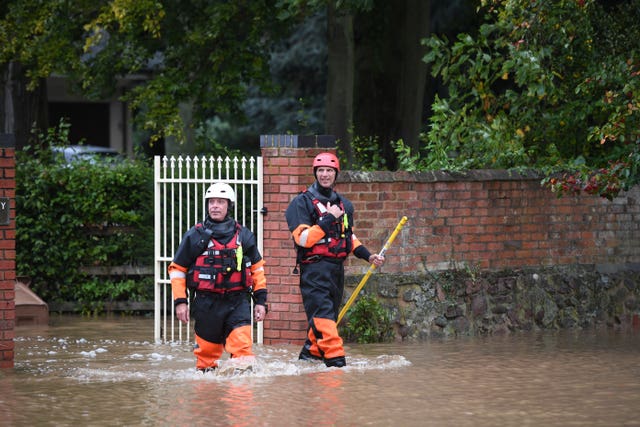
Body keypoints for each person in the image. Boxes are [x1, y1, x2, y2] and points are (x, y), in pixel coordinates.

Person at [285, 152, 385, 367]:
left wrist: (369, 256)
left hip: (336, 271)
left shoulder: (345, 205)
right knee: (325, 322)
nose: (325, 174)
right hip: (314, 271)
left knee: (325, 320)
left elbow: (349, 238)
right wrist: (329, 218)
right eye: (320, 170)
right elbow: (303, 239)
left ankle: (308, 359)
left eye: (329, 171)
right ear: (315, 173)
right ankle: (337, 365)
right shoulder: (301, 203)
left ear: (335, 174)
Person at [168, 182, 267, 372]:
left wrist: (261, 302)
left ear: (229, 205)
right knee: (206, 360)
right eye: (211, 201)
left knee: (243, 354)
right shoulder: (195, 236)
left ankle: (240, 399)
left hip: (237, 302)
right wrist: (180, 302)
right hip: (206, 303)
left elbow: (257, 270)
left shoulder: (244, 236)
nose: (215, 205)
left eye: (220, 202)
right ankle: (208, 397)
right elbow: (177, 269)